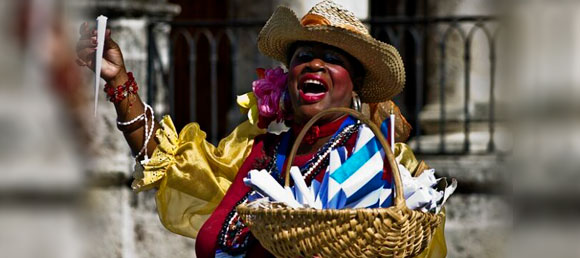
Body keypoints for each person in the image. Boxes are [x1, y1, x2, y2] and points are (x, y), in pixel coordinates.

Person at [77, 1, 447, 257]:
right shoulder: (256, 155)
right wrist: (119, 81)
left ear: (355, 86)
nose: (314, 65)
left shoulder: (383, 161)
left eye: (332, 59)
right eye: (303, 57)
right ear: (287, 78)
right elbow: (172, 164)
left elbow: (414, 246)